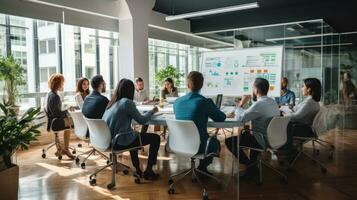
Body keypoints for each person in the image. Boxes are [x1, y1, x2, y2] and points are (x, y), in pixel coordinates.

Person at [103, 79, 160, 180]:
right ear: (131, 90)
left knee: (133, 135)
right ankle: (149, 171)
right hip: (120, 140)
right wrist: (152, 111)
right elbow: (142, 120)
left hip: (110, 140)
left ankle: (138, 169)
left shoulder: (111, 103)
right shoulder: (127, 103)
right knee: (156, 138)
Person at [174, 71, 226, 174]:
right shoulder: (204, 102)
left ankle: (201, 168)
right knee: (215, 143)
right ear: (202, 85)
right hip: (200, 146)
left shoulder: (177, 102)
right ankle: (202, 167)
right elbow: (221, 118)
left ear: (187, 85)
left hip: (179, 144)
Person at [225, 78, 280, 174]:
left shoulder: (259, 104)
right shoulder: (272, 102)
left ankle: (250, 165)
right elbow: (247, 114)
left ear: (256, 90)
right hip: (273, 138)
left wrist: (241, 103)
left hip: (262, 140)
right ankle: (252, 165)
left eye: (252, 88)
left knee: (230, 141)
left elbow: (240, 120)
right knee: (249, 133)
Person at [46, 74, 75, 159]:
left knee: (69, 120)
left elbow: (55, 110)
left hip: (51, 121)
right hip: (55, 122)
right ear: (58, 84)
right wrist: (67, 111)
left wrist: (65, 110)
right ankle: (65, 149)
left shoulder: (50, 94)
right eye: (62, 82)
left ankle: (60, 148)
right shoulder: (55, 96)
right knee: (72, 122)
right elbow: (57, 114)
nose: (63, 84)